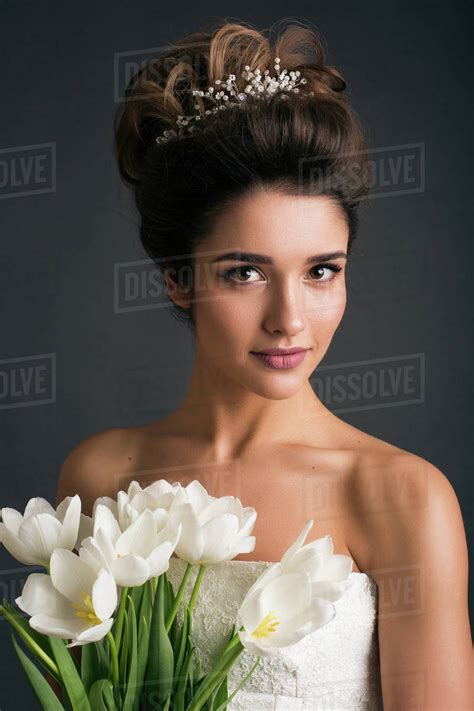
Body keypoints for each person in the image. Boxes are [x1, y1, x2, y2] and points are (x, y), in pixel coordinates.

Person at [56, 19, 472, 709]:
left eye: (320, 271)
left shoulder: (403, 497)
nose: (290, 317)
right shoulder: (102, 477)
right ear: (177, 278)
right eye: (246, 271)